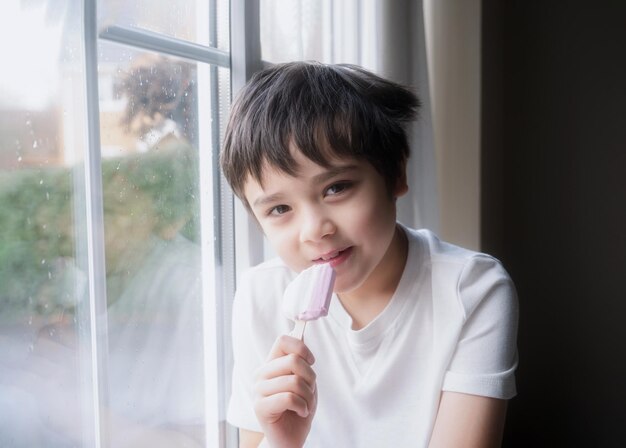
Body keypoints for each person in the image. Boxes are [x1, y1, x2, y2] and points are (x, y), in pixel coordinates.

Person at [221, 61, 519, 448]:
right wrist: (282, 442)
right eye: (279, 210)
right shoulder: (260, 295)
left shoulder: (473, 291)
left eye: (337, 188)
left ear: (395, 174)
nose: (315, 230)